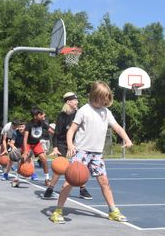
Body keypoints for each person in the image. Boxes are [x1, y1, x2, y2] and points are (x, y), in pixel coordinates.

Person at [49, 81, 133, 224]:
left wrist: (127, 139)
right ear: (95, 96)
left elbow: (117, 127)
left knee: (104, 182)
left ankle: (113, 210)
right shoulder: (84, 110)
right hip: (81, 152)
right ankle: (57, 211)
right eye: (103, 97)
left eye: (107, 98)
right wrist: (70, 145)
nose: (106, 101)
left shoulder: (106, 112)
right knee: (70, 182)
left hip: (96, 154)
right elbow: (71, 131)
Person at [44, 92, 93, 200]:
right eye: (75, 100)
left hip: (77, 143)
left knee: (79, 166)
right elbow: (56, 134)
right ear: (68, 102)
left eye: (77, 100)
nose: (77, 102)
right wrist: (55, 147)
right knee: (60, 166)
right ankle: (50, 188)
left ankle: (82, 189)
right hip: (62, 143)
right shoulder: (62, 116)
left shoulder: (80, 113)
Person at [23, 107, 54, 186]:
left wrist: (59, 134)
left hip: (36, 144)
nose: (43, 115)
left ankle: (47, 179)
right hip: (28, 144)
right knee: (24, 159)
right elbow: (25, 137)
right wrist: (26, 151)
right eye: (41, 114)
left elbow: (51, 131)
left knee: (44, 159)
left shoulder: (42, 123)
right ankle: (16, 178)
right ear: (35, 116)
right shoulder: (29, 124)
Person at [1, 120, 26, 185]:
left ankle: (32, 174)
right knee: (10, 159)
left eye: (22, 127)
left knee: (28, 159)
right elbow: (11, 143)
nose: (21, 128)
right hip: (16, 146)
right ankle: (5, 174)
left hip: (25, 147)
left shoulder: (27, 133)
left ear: (25, 127)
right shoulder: (15, 132)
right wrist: (15, 149)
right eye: (20, 127)